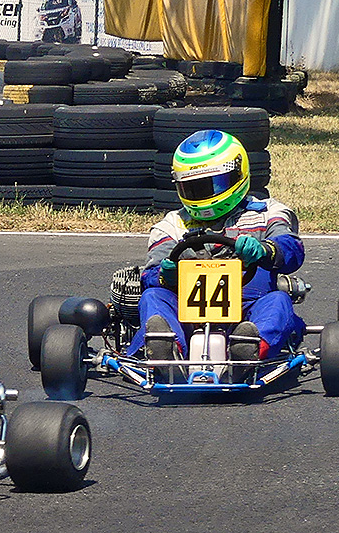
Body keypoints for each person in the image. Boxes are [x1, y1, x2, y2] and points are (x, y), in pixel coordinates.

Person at [127, 130, 306, 374]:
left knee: (278, 301)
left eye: (213, 184)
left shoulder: (268, 213)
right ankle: (168, 350)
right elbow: (151, 273)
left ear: (237, 174)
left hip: (249, 308)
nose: (205, 194)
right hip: (185, 312)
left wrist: (265, 250)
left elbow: (292, 249)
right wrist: (164, 276)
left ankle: (248, 350)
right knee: (153, 297)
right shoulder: (171, 224)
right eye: (194, 188)